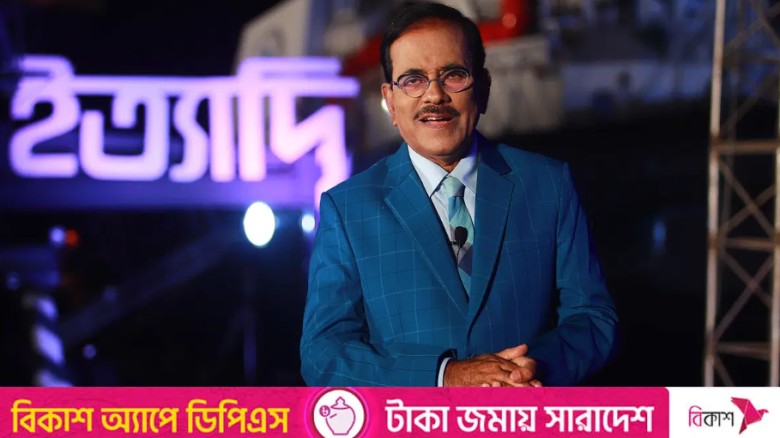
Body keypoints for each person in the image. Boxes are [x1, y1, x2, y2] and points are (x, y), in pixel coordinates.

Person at [300, 1, 618, 387]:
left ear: (483, 88)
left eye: (453, 75)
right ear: (391, 101)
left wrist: (527, 369)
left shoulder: (548, 184)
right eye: (413, 80)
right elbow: (323, 354)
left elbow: (593, 320)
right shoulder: (348, 208)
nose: (434, 96)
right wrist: (445, 375)